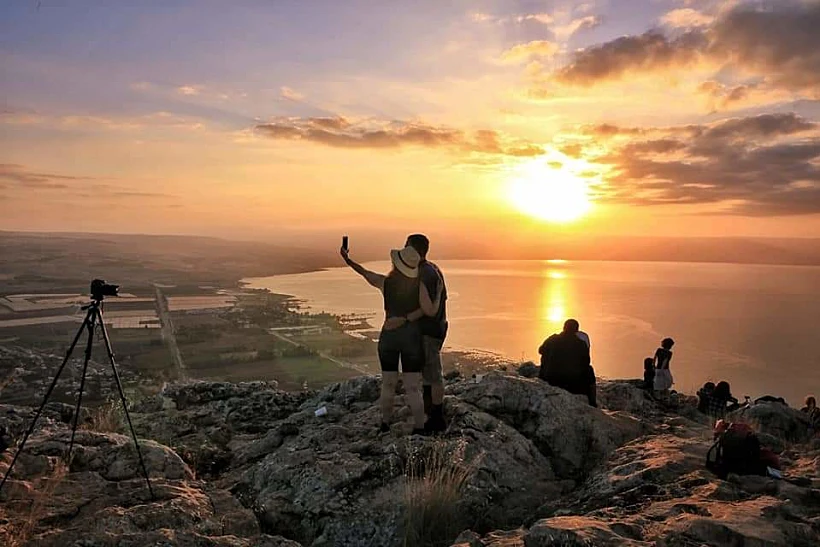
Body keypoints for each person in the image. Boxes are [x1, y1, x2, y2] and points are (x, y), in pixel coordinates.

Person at [341, 244, 442, 434]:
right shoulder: (419, 286)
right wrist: (435, 298)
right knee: (413, 388)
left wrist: (347, 260)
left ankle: (385, 424)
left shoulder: (385, 282)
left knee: (388, 384)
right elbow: (430, 310)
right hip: (411, 338)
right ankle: (420, 429)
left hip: (388, 338)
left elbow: (364, 272)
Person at [405, 234, 448, 433]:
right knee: (428, 374)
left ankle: (437, 419)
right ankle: (431, 413)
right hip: (434, 329)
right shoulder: (431, 269)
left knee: (433, 374)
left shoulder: (425, 274)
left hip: (429, 331)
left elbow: (427, 308)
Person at [538, 319, 596, 406]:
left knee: (545, 355)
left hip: (551, 379)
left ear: (564, 328)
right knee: (589, 369)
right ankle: (592, 403)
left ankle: (542, 381)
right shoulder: (581, 344)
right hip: (573, 384)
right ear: (576, 331)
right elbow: (586, 363)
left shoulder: (553, 339)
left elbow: (540, 350)